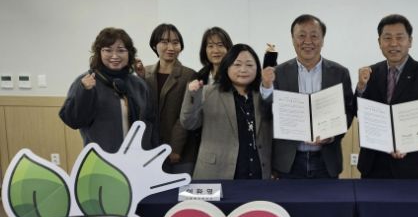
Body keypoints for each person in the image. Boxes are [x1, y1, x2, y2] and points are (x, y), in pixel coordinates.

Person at [261, 14, 355, 178]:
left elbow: (348, 111)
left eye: (314, 36)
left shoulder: (340, 73)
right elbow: (267, 114)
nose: (308, 41)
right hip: (289, 162)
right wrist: (266, 88)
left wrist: (331, 135)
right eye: (301, 36)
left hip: (326, 161)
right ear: (293, 39)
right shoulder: (278, 73)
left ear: (322, 40)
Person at [356, 14, 418, 178]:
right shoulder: (370, 72)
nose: (393, 43)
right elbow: (358, 112)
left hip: (410, 164)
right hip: (373, 164)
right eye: (387, 38)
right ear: (379, 42)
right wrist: (361, 87)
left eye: (400, 37)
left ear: (410, 41)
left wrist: (407, 144)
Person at [180, 44, 272, 179]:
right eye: (237, 64)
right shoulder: (207, 92)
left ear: (258, 68)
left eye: (249, 65)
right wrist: (193, 94)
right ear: (227, 66)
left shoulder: (264, 94)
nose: (243, 69)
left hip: (258, 175)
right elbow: (189, 123)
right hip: (216, 174)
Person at [60, 27, 155, 152]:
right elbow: (73, 120)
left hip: (136, 156)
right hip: (101, 157)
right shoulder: (86, 81)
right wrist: (84, 91)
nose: (114, 56)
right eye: (108, 50)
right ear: (99, 53)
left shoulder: (138, 84)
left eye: (121, 50)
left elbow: (149, 121)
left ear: (129, 53)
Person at [143, 23, 197, 173]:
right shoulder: (145, 73)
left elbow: (186, 116)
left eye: (175, 42)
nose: (171, 47)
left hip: (180, 152)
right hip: (149, 150)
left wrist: (175, 148)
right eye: (164, 42)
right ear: (154, 45)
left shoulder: (189, 75)